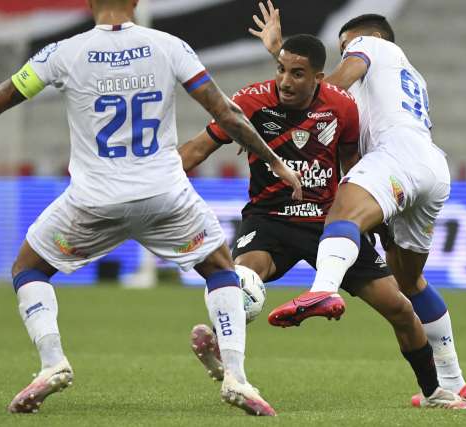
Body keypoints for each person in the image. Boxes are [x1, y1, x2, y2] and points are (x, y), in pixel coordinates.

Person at [0, 0, 302, 417]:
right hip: (164, 195)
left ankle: (52, 363)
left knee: (28, 268)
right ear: (137, 2)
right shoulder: (169, 45)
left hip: (93, 200)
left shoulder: (61, 53)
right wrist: (275, 161)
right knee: (220, 270)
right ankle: (236, 375)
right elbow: (226, 113)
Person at [178, 33, 442, 404]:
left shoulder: (342, 107)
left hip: (329, 223)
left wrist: (379, 224)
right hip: (269, 220)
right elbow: (197, 148)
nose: (285, 81)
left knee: (399, 308)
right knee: (242, 280)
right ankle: (224, 345)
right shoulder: (250, 101)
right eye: (281, 70)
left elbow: (353, 167)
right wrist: (156, 180)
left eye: (297, 73)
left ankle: (434, 392)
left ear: (319, 77)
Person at [249, 2, 466, 409]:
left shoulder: (369, 45)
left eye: (343, 49)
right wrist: (285, 58)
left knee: (341, 213)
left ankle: (322, 290)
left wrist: (282, 52)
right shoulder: (410, 77)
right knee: (409, 283)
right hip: (431, 168)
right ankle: (455, 384)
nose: (344, 57)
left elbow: (327, 89)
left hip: (396, 157)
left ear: (360, 39)